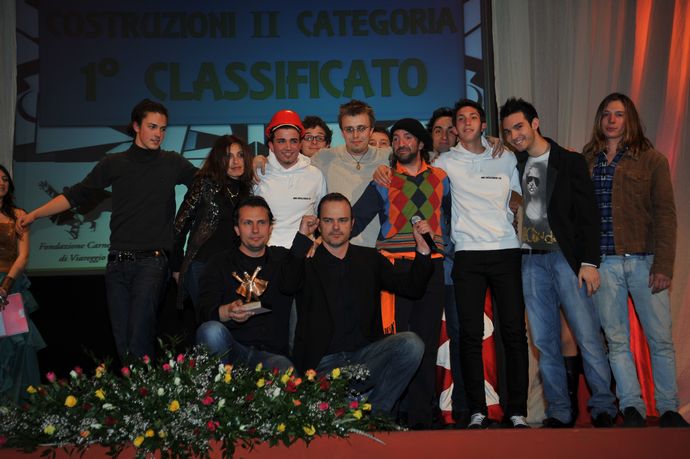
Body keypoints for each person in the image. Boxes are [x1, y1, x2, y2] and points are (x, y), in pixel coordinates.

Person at [20, 99, 197, 360]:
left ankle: (143, 385)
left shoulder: (173, 162)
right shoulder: (114, 163)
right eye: (152, 126)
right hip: (116, 264)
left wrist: (251, 167)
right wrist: (35, 214)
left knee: (139, 336)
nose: (158, 134)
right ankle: (137, 385)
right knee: (122, 340)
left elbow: (208, 182)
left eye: (162, 128)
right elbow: (76, 194)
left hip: (152, 262)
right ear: (136, 126)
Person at [500, 97, 617, 428]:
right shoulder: (514, 164)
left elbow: (589, 216)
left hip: (566, 260)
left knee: (588, 336)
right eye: (508, 131)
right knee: (544, 342)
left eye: (519, 127)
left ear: (535, 123)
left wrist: (589, 262)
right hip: (529, 262)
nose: (514, 135)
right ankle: (559, 411)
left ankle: (604, 406)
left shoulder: (569, 161)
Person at [582, 93, 689, 428]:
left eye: (619, 114)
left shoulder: (652, 160)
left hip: (644, 261)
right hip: (604, 264)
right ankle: (631, 407)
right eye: (606, 114)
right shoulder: (588, 160)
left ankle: (668, 408)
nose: (612, 120)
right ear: (600, 120)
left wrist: (664, 266)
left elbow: (666, 215)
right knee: (616, 341)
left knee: (660, 340)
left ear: (630, 119)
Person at [281, 193, 434, 418]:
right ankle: (348, 406)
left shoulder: (370, 259)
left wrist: (423, 250)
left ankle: (376, 414)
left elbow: (412, 288)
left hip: (366, 360)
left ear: (352, 224)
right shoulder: (306, 260)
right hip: (323, 368)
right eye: (328, 220)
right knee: (330, 408)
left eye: (342, 220)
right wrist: (302, 238)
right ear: (318, 225)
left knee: (411, 344)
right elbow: (287, 284)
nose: (336, 227)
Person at [431, 99, 528, 428]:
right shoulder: (445, 162)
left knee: (514, 333)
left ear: (483, 125)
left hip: (506, 251)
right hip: (468, 254)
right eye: (461, 119)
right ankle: (477, 411)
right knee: (469, 335)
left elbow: (517, 196)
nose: (467, 123)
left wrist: (513, 205)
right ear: (455, 128)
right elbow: (421, 179)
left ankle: (517, 411)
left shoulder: (505, 156)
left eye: (473, 117)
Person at [351, 118, 450, 429]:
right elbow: (355, 220)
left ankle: (420, 416)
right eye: (395, 139)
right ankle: (392, 413)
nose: (401, 143)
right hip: (393, 269)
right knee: (394, 342)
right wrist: (321, 238)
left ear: (420, 143)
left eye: (408, 137)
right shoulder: (383, 180)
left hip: (431, 265)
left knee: (427, 341)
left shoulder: (442, 178)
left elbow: (457, 218)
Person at [195, 196, 294, 372]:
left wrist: (312, 244)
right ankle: (220, 386)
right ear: (237, 229)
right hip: (231, 350)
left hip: (271, 357)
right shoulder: (218, 263)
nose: (255, 230)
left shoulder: (284, 260)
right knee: (210, 331)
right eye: (248, 223)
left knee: (285, 368)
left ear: (270, 228)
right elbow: (204, 311)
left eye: (261, 223)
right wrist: (227, 311)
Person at [171, 135, 254, 317]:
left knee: (233, 320)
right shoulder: (203, 184)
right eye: (228, 156)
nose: (236, 161)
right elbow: (180, 226)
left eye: (240, 155)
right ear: (218, 160)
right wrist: (176, 268)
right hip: (202, 265)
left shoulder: (247, 190)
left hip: (235, 269)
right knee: (210, 321)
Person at [309, 100, 391, 247]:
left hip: (378, 249)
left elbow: (423, 158)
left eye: (361, 128)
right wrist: (265, 160)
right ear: (342, 132)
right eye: (349, 129)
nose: (355, 135)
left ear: (371, 130)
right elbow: (293, 164)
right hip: (336, 249)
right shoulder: (324, 157)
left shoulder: (388, 157)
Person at [0, 165, 46, 404]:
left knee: (18, 344)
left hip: (10, 286)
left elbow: (23, 255)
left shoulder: (19, 215)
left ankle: (17, 407)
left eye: (5, 179)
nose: (2, 183)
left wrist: (5, 286)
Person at [253, 109, 327, 249]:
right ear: (271, 146)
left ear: (300, 144)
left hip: (305, 254)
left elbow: (324, 218)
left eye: (293, 141)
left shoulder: (316, 175)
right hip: (266, 254)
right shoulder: (257, 173)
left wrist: (319, 242)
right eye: (281, 141)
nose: (288, 147)